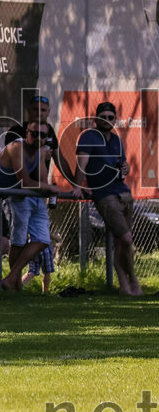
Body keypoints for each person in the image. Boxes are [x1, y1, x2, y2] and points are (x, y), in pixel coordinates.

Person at [2, 94, 77, 274]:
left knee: (43, 239)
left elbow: (60, 159)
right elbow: (19, 170)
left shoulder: (49, 131)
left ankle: (12, 279)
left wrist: (76, 184)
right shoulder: (15, 131)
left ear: (48, 112)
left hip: (40, 194)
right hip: (18, 194)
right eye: (35, 110)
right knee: (18, 240)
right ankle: (14, 283)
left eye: (43, 110)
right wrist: (40, 153)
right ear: (28, 111)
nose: (39, 113)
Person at [0, 121, 62, 291]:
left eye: (43, 135)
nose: (38, 138)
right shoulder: (17, 147)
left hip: (10, 195)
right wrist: (51, 187)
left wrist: (42, 160)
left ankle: (11, 279)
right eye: (34, 133)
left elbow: (40, 181)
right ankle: (3, 284)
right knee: (8, 242)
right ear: (27, 133)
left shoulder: (38, 152)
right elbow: (25, 181)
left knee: (43, 240)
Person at [75, 102, 141, 295]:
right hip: (105, 195)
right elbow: (82, 164)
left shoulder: (116, 140)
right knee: (127, 239)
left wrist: (126, 168)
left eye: (110, 117)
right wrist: (78, 186)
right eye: (103, 117)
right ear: (96, 118)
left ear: (115, 119)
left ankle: (124, 286)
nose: (107, 120)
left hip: (123, 192)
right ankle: (134, 281)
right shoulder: (88, 136)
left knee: (122, 242)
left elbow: (122, 164)